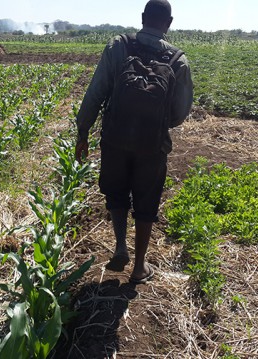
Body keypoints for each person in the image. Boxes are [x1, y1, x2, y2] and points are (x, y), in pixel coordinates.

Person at [75, 0, 193, 284]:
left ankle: (119, 246)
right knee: (146, 201)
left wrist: (82, 132)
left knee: (116, 192)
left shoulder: (118, 46)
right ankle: (139, 267)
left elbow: (95, 93)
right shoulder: (179, 61)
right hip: (152, 145)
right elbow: (180, 112)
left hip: (115, 138)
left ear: (142, 18)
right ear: (169, 23)